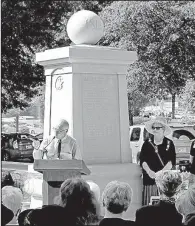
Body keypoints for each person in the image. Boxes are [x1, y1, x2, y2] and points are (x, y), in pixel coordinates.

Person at [139, 117, 176, 205]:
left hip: (164, 181)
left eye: (158, 128)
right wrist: (149, 171)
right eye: (153, 128)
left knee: (165, 206)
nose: (155, 130)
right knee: (149, 205)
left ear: (163, 129)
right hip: (149, 180)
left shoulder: (169, 143)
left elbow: (172, 161)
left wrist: (161, 173)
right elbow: (142, 160)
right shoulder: (146, 143)